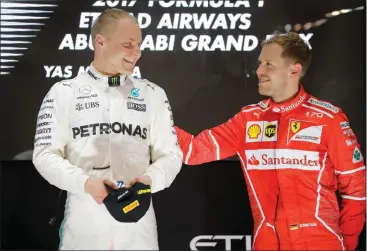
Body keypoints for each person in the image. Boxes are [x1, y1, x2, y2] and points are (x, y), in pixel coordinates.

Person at [175, 32, 366, 250]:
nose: (259, 71)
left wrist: (348, 244)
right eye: (259, 64)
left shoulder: (329, 119)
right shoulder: (247, 120)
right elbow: (193, 150)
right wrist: (151, 117)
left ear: (294, 70)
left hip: (321, 242)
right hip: (266, 242)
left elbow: (356, 191)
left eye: (269, 64)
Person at [33, 8, 182, 250]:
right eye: (128, 44)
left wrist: (149, 181)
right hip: (83, 225)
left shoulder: (153, 94)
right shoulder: (64, 92)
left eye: (139, 44)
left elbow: (171, 155)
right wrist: (85, 182)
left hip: (138, 226)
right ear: (100, 41)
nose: (137, 52)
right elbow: (44, 155)